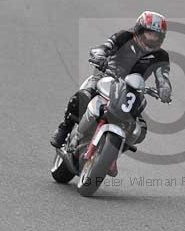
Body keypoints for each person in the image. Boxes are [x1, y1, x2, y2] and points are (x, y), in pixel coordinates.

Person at [50, 11, 173, 148]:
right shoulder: (124, 37)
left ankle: (113, 153)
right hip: (107, 76)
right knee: (84, 96)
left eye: (156, 35)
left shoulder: (161, 56)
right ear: (139, 30)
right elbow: (104, 48)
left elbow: (163, 76)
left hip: (131, 91)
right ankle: (64, 128)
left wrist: (164, 89)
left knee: (140, 130)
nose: (152, 38)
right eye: (149, 33)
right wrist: (100, 56)